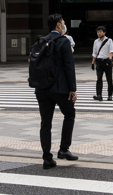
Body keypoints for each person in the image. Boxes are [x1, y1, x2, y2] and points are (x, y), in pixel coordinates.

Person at [35, 13, 78, 170]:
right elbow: (69, 67)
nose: (64, 25)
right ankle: (64, 149)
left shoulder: (41, 41)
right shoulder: (63, 41)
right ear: (58, 25)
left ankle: (47, 158)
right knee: (70, 114)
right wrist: (73, 89)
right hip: (60, 88)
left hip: (41, 88)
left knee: (45, 123)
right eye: (63, 22)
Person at [91, 26, 113, 101]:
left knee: (109, 79)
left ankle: (110, 95)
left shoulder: (109, 40)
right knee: (99, 79)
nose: (99, 33)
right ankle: (99, 95)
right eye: (98, 32)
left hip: (107, 61)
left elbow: (111, 51)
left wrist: (110, 59)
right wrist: (92, 63)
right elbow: (94, 53)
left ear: (104, 32)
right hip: (99, 62)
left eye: (100, 32)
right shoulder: (96, 41)